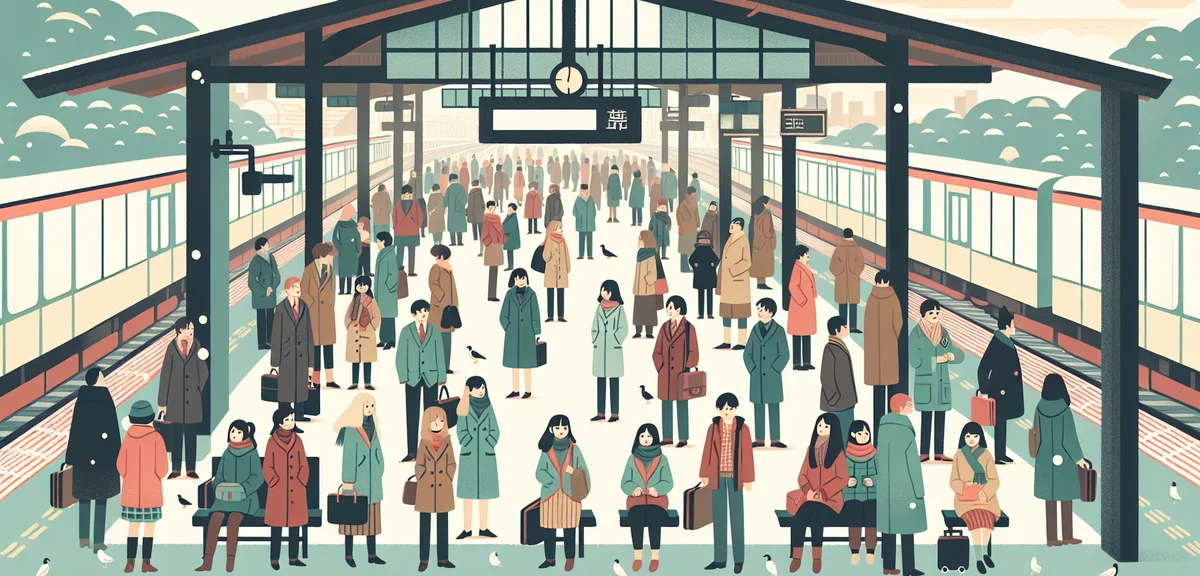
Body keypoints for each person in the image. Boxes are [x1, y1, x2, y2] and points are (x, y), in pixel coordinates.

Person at [66, 367, 120, 554]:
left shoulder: (81, 400)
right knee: (101, 500)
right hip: (104, 458)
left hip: (83, 456)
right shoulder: (105, 398)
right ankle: (98, 542)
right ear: (97, 380)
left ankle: (83, 538)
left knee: (84, 497)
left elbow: (74, 430)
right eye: (103, 377)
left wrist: (70, 458)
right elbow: (113, 430)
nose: (105, 380)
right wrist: (118, 457)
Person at [786, 413, 848, 574]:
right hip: (810, 498)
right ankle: (797, 557)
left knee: (816, 518)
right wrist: (808, 490)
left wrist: (824, 493)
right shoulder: (811, 449)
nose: (821, 428)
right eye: (819, 425)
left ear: (833, 429)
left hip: (831, 501)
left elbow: (842, 479)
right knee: (800, 516)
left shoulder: (838, 452)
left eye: (826, 426)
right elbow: (802, 475)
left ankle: (817, 557)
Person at [198, 421, 263, 572]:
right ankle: (207, 561)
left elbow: (257, 477)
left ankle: (230, 560)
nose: (235, 435)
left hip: (245, 499)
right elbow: (219, 474)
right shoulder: (227, 452)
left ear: (245, 434)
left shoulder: (252, 453)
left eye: (239, 432)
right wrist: (219, 486)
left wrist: (243, 489)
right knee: (215, 519)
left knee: (233, 521)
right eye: (232, 431)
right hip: (225, 498)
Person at [700, 393, 754, 572]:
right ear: (718, 410)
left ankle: (739, 559)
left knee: (737, 518)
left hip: (736, 478)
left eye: (730, 408)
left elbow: (747, 454)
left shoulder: (743, 428)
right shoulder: (713, 427)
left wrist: (748, 478)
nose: (727, 411)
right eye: (723, 408)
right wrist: (704, 474)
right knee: (719, 518)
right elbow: (707, 450)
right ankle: (720, 559)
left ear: (736, 409)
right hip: (717, 477)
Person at [1034, 373, 1088, 547]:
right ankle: (1067, 536)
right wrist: (1079, 458)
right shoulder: (1064, 410)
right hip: (1064, 457)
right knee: (1066, 497)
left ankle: (1051, 538)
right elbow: (1069, 438)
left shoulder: (1039, 407)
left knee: (1050, 498)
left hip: (1044, 456)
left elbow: (1036, 432)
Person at [876, 394, 926, 576]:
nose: (912, 407)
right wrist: (919, 490)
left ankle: (888, 566)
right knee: (907, 528)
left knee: (889, 527)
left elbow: (878, 457)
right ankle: (909, 568)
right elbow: (913, 463)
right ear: (901, 407)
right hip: (906, 486)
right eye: (909, 404)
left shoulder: (882, 428)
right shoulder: (906, 431)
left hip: (886, 487)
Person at [116, 400, 168, 574]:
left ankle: (130, 561)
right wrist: (154, 477)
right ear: (150, 418)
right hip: (151, 491)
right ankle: (146, 562)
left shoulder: (128, 437)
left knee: (133, 526)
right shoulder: (156, 438)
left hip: (131, 492)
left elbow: (120, 465)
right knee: (149, 527)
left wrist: (129, 477)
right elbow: (163, 467)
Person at [335, 393, 387, 567]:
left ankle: (372, 555)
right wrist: (348, 481)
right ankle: (348, 555)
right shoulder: (351, 430)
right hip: (356, 483)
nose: (370, 409)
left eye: (372, 406)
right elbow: (348, 458)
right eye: (367, 406)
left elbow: (378, 452)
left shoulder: (374, 427)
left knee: (371, 522)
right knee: (350, 521)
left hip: (373, 482)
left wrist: (380, 470)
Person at [910, 298, 964, 462]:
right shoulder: (916, 333)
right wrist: (936, 360)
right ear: (923, 315)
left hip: (941, 383)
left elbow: (953, 350)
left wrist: (954, 356)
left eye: (937, 312)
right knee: (926, 418)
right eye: (931, 312)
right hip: (926, 383)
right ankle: (924, 452)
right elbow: (914, 360)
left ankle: (939, 452)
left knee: (941, 418)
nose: (935, 315)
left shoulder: (943, 332)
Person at [535, 415, 591, 571]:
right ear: (551, 429)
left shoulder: (575, 449)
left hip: (570, 494)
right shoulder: (546, 449)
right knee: (548, 529)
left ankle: (570, 559)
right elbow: (539, 473)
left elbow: (584, 472)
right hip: (550, 495)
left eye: (565, 427)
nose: (561, 431)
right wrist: (553, 481)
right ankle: (550, 559)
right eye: (558, 427)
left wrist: (573, 473)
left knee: (570, 529)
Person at [158, 317, 209, 477]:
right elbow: (165, 375)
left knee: (191, 435)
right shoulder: (171, 348)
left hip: (192, 399)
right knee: (176, 436)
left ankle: (191, 469)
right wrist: (162, 403)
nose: (192, 331)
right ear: (181, 330)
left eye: (193, 329)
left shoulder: (196, 345)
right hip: (174, 400)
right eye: (189, 328)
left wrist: (197, 388)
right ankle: (175, 469)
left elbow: (204, 371)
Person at [397, 300, 446, 462]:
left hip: (431, 377)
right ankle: (412, 452)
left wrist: (442, 377)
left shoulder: (435, 331)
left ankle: (430, 449)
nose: (424, 314)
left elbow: (440, 354)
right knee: (412, 415)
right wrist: (403, 376)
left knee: (431, 416)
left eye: (426, 311)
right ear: (414, 314)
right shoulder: (406, 331)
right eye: (420, 311)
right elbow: (400, 355)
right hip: (412, 378)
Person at [950, 422, 1002, 574]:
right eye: (968, 436)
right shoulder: (959, 455)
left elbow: (994, 480)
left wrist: (985, 492)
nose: (971, 439)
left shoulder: (986, 454)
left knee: (986, 521)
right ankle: (979, 558)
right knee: (976, 521)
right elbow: (953, 481)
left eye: (975, 436)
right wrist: (965, 487)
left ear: (980, 437)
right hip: (965, 500)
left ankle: (984, 553)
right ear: (963, 437)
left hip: (985, 499)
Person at [622, 424, 675, 572]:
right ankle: (637, 557)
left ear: (655, 438)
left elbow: (668, 482)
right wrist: (633, 489)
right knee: (636, 518)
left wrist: (657, 489)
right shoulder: (632, 459)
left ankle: (655, 558)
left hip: (657, 501)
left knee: (654, 518)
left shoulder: (662, 459)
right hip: (636, 501)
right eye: (642, 436)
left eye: (649, 436)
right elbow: (625, 482)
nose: (645, 439)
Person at [264, 407, 309, 570]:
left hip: (296, 490)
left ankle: (293, 558)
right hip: (278, 491)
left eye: (292, 419)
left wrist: (301, 480)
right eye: (287, 420)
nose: (291, 422)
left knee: (295, 527)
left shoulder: (298, 440)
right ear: (279, 423)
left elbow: (304, 463)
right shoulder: (272, 441)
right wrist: (274, 481)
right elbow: (267, 466)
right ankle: (274, 559)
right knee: (276, 528)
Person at [455, 377, 500, 539]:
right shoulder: (463, 407)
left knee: (484, 495)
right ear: (469, 390)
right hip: (469, 455)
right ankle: (466, 529)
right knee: (468, 495)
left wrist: (488, 443)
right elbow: (461, 431)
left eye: (483, 387)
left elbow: (495, 430)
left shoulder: (488, 406)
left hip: (486, 455)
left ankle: (483, 528)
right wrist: (469, 442)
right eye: (477, 388)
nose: (481, 391)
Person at [977, 306, 1022, 464]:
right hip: (999, 390)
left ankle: (1001, 454)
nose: (1015, 327)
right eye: (1013, 324)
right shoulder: (999, 342)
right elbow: (983, 367)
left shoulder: (1004, 341)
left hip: (1004, 389)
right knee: (1000, 422)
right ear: (1008, 325)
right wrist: (984, 391)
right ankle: (999, 455)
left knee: (1001, 423)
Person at [414, 406, 457, 571]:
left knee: (443, 524)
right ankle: (423, 559)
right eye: (434, 420)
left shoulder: (447, 442)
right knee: (424, 525)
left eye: (441, 420)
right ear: (427, 423)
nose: (438, 423)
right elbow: (419, 465)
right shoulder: (423, 443)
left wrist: (447, 477)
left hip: (443, 487)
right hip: (426, 487)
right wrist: (423, 477)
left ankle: (443, 559)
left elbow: (452, 463)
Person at [653, 296, 699, 447]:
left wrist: (687, 367)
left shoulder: (689, 328)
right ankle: (667, 436)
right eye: (667, 307)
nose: (668, 310)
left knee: (682, 405)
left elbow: (694, 351)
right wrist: (660, 367)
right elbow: (657, 350)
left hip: (681, 374)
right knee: (666, 404)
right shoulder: (664, 327)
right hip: (665, 375)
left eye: (671, 307)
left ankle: (683, 438)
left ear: (679, 309)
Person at [744, 298, 789, 448]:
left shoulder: (779, 330)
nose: (759, 312)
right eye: (758, 309)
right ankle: (759, 439)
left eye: (762, 309)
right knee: (758, 406)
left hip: (773, 376)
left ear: (770, 312)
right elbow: (747, 353)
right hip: (757, 376)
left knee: (774, 407)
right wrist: (753, 369)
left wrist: (775, 369)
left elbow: (784, 354)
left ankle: (775, 439)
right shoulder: (755, 329)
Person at [271, 278, 313, 429]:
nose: (298, 289)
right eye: (294, 286)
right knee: (286, 388)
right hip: (286, 356)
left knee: (300, 386)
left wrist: (311, 363)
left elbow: (309, 334)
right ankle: (284, 416)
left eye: (299, 286)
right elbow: (276, 335)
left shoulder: (304, 306)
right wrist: (275, 362)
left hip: (302, 355)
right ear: (287, 290)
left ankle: (299, 415)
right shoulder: (281, 308)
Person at [865, 271, 903, 435]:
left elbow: (867, 322)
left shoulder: (871, 297)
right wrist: (892, 337)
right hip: (889, 346)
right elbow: (898, 323)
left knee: (877, 392)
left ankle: (877, 429)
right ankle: (890, 429)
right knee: (891, 391)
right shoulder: (893, 298)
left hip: (873, 348)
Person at [301, 243, 338, 389]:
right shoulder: (309, 270)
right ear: (322, 255)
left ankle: (330, 380)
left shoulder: (330, 269)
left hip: (327, 313)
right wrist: (311, 303)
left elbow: (333, 290)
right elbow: (303, 291)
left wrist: (331, 304)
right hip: (313, 314)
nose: (332, 257)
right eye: (330, 254)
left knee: (328, 348)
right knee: (314, 349)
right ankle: (315, 381)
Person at [500, 269, 542, 398]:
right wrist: (508, 327)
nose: (521, 281)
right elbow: (503, 314)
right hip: (512, 334)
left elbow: (535, 314)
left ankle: (528, 390)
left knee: (527, 364)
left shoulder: (532, 294)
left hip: (528, 333)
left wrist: (537, 332)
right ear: (513, 280)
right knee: (514, 364)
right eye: (518, 278)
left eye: (523, 278)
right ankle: (515, 390)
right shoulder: (509, 294)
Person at [591, 279, 630, 422]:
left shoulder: (619, 309)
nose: (603, 293)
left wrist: (615, 339)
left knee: (614, 382)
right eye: (602, 290)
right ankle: (600, 412)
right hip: (600, 349)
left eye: (606, 291)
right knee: (600, 381)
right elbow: (594, 326)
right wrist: (595, 339)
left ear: (613, 292)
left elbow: (624, 328)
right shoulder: (599, 308)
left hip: (613, 349)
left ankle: (615, 413)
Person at [844, 421, 879, 567]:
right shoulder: (845, 455)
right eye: (860, 433)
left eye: (866, 433)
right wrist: (847, 481)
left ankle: (870, 550)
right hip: (851, 496)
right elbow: (838, 476)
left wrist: (874, 481)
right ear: (853, 435)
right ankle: (855, 551)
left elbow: (883, 475)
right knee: (854, 515)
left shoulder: (875, 454)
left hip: (872, 495)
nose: (864, 436)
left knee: (872, 516)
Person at [820, 316, 858, 442]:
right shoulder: (830, 348)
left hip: (846, 400)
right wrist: (834, 397)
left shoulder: (839, 346)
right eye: (845, 327)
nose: (847, 329)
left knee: (847, 435)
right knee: (838, 436)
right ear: (837, 330)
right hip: (837, 403)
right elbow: (826, 376)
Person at [716, 218, 752, 350]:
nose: (732, 225)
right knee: (726, 312)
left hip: (738, 282)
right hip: (728, 283)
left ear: (740, 227)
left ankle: (742, 342)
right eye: (732, 223)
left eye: (736, 224)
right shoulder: (730, 238)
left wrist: (732, 270)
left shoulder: (743, 241)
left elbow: (747, 262)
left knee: (741, 313)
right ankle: (726, 341)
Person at [344, 276, 381, 391]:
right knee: (355, 361)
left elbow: (376, 317)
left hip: (367, 334)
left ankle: (367, 383)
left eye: (364, 284)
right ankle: (354, 383)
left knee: (367, 360)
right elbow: (347, 316)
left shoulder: (371, 302)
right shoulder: (354, 301)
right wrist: (350, 325)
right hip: (354, 333)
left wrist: (369, 327)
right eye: (359, 284)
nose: (361, 287)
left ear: (369, 286)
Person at [429, 244, 460, 373]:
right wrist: (441, 297)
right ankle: (436, 365)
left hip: (449, 308)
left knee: (447, 338)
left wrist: (454, 303)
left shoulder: (448, 268)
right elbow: (432, 284)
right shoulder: (435, 268)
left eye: (438, 255)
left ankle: (446, 366)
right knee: (437, 336)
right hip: (439, 308)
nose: (436, 257)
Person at [787, 246, 817, 370]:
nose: (807, 255)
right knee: (798, 334)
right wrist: (802, 300)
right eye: (806, 253)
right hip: (800, 306)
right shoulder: (797, 267)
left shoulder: (804, 266)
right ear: (800, 255)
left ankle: (806, 362)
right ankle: (797, 363)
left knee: (806, 333)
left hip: (806, 306)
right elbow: (792, 286)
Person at [830, 228, 865, 333]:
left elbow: (832, 266)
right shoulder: (856, 247)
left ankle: (842, 326)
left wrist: (840, 270)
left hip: (841, 279)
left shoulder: (839, 247)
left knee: (842, 303)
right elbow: (861, 264)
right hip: (853, 279)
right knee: (853, 303)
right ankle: (853, 327)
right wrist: (853, 271)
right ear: (852, 235)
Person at [250, 238, 282, 350]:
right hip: (260, 296)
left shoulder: (271, 257)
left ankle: (271, 340)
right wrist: (264, 291)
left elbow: (277, 274)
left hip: (271, 293)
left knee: (271, 317)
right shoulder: (255, 261)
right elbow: (252, 281)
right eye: (267, 244)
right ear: (261, 246)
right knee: (261, 319)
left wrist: (273, 287)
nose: (269, 245)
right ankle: (262, 343)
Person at [632, 230, 665, 339]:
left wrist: (645, 281)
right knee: (638, 312)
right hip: (639, 290)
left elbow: (652, 273)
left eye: (640, 238)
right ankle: (638, 331)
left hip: (648, 290)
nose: (638, 241)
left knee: (649, 311)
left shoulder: (651, 255)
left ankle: (649, 332)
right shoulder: (640, 254)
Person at [542, 220, 571, 323]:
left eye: (561, 227)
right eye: (559, 227)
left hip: (561, 271)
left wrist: (567, 268)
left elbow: (567, 255)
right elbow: (545, 256)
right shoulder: (549, 240)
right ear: (553, 228)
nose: (561, 229)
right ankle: (550, 316)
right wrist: (552, 254)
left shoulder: (563, 240)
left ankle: (561, 316)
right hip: (551, 271)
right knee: (550, 293)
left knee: (561, 293)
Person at [374, 233, 400, 350]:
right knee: (383, 316)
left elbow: (393, 274)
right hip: (382, 291)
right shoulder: (383, 253)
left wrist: (388, 286)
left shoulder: (390, 254)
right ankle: (383, 339)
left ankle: (390, 341)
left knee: (388, 317)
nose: (377, 244)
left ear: (384, 241)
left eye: (378, 241)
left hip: (387, 292)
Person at [392, 185, 424, 276]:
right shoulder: (414, 203)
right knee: (409, 252)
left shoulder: (399, 203)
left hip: (401, 231)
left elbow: (394, 216)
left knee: (401, 252)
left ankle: (401, 269)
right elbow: (420, 216)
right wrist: (416, 225)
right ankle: (409, 271)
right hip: (410, 231)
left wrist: (396, 226)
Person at [689, 231, 720, 320]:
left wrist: (714, 264)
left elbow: (717, 260)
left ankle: (710, 313)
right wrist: (694, 264)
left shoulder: (710, 250)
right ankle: (701, 314)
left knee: (709, 295)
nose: (704, 242)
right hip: (700, 276)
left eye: (706, 240)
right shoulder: (697, 251)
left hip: (709, 276)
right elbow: (691, 260)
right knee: (701, 295)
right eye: (702, 240)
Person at [333, 205, 360, 295]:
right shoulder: (354, 224)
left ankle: (341, 290)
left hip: (343, 250)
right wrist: (358, 250)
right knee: (349, 271)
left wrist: (339, 248)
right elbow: (357, 238)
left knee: (343, 270)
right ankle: (348, 290)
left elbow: (334, 238)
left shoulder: (339, 224)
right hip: (352, 250)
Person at [481, 201, 506, 302]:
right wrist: (489, 243)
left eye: (494, 207)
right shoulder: (486, 218)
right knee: (493, 270)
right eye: (491, 207)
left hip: (498, 246)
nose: (493, 209)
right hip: (492, 247)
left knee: (495, 270)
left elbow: (501, 231)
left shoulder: (498, 218)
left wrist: (502, 241)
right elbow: (484, 234)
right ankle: (491, 295)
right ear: (488, 208)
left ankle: (492, 295)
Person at [750, 196, 775, 289]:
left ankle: (760, 283)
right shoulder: (766, 214)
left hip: (757, 242)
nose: (770, 205)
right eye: (769, 203)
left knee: (759, 264)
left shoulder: (755, 213)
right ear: (764, 203)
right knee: (764, 264)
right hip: (765, 244)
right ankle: (761, 284)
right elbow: (767, 231)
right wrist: (772, 236)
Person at [677, 187, 699, 272]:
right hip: (692, 228)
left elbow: (678, 214)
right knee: (692, 249)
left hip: (684, 229)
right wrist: (697, 225)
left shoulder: (683, 203)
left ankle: (684, 267)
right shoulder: (695, 202)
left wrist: (681, 223)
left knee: (684, 249)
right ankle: (692, 267)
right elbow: (696, 216)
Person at [573, 184, 597, 259]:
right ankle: (581, 255)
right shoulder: (578, 199)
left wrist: (591, 217)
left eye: (585, 190)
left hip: (589, 223)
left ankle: (590, 255)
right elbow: (574, 211)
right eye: (582, 190)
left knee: (590, 239)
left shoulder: (590, 199)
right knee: (581, 239)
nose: (584, 191)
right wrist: (579, 216)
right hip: (581, 223)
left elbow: (594, 211)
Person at [445, 174, 468, 246]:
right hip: (460, 211)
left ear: (450, 180)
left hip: (452, 211)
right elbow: (465, 199)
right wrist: (461, 205)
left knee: (452, 226)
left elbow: (445, 201)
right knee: (459, 226)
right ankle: (460, 242)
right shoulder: (461, 188)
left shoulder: (449, 189)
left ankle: (453, 242)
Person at [468, 179, 486, 253]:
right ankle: (482, 250)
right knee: (481, 233)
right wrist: (483, 209)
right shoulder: (479, 192)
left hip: (473, 216)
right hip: (480, 215)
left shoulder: (470, 193)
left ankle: (475, 237)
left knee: (475, 228)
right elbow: (482, 204)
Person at [503, 202, 521, 271]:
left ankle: (510, 266)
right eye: (508, 208)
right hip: (508, 238)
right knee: (509, 252)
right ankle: (510, 266)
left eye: (510, 209)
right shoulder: (510, 216)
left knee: (510, 252)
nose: (509, 210)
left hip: (510, 238)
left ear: (513, 210)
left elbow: (508, 226)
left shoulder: (513, 217)